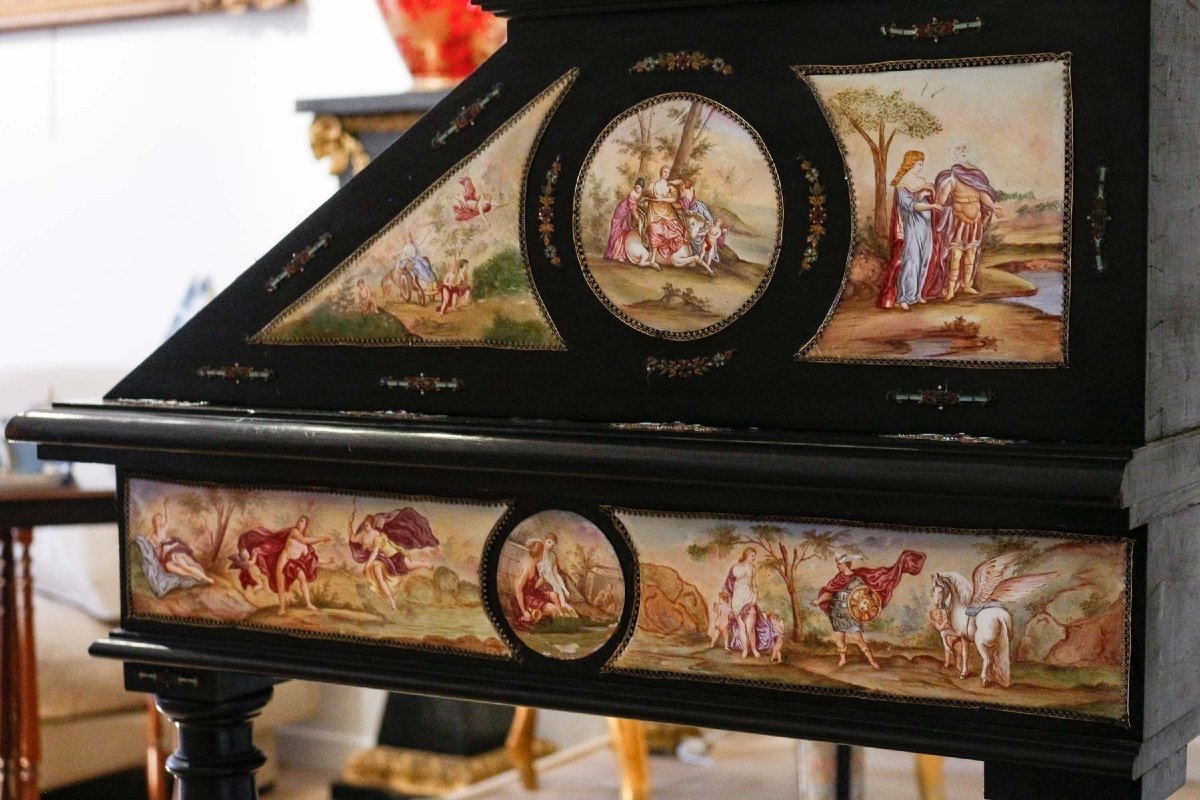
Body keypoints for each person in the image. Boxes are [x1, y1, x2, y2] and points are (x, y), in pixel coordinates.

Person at [813, 550, 926, 669]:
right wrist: (819, 601)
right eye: (837, 563)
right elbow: (829, 592)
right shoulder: (838, 578)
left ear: (846, 564)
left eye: (839, 563)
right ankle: (842, 659)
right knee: (839, 638)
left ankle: (871, 660)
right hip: (837, 613)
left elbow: (867, 595)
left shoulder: (857, 579)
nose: (837, 565)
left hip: (852, 614)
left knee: (858, 639)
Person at [923, 142, 1003, 301]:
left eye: (965, 150)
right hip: (958, 222)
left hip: (975, 222)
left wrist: (993, 206)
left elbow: (982, 195)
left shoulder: (977, 176)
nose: (963, 152)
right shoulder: (952, 177)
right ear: (955, 155)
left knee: (971, 253)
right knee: (956, 255)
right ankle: (951, 289)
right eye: (959, 151)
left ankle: (967, 285)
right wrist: (938, 194)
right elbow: (942, 199)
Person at [877, 151, 940, 311]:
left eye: (922, 164)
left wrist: (926, 197)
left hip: (926, 227)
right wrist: (930, 205)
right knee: (912, 261)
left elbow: (921, 200)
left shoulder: (921, 181)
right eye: (919, 164)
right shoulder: (902, 184)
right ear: (910, 163)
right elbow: (911, 206)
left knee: (925, 258)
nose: (921, 167)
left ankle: (918, 294)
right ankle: (905, 297)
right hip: (912, 227)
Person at [234, 516, 332, 616]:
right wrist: (322, 538)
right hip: (284, 559)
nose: (299, 522)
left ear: (305, 526)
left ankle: (308, 604)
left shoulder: (305, 546)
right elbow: (303, 539)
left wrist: (328, 562)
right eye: (299, 520)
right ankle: (282, 608)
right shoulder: (294, 532)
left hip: (294, 563)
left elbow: (313, 559)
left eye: (302, 521)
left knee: (302, 578)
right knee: (280, 584)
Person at [349, 508, 439, 610]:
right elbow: (353, 538)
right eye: (364, 525)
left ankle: (424, 564)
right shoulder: (363, 534)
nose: (365, 527)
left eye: (367, 525)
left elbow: (374, 553)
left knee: (410, 565)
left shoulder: (377, 536)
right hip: (383, 559)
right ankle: (391, 599)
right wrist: (350, 524)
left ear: (372, 525)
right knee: (378, 574)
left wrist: (367, 565)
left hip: (394, 556)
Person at [643, 165, 690, 268]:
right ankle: (653, 259)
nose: (666, 174)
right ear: (661, 172)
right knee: (654, 229)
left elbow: (673, 199)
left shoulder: (671, 187)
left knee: (676, 229)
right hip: (654, 211)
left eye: (668, 172)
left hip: (667, 211)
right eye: (665, 171)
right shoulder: (653, 185)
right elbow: (649, 195)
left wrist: (662, 199)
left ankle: (672, 256)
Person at [149, 511, 213, 585]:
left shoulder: (163, 529)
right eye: (158, 520)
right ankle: (193, 575)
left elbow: (168, 520)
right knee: (169, 566)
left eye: (160, 519)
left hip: (173, 551)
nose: (160, 521)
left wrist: (165, 507)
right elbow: (156, 551)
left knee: (184, 565)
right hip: (166, 557)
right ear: (154, 523)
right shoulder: (153, 536)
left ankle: (207, 579)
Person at [510, 539, 562, 627]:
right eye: (543, 552)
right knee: (553, 609)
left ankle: (561, 617)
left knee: (554, 595)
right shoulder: (527, 568)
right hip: (528, 598)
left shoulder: (535, 565)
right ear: (540, 553)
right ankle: (557, 622)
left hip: (534, 593)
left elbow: (532, 586)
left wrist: (540, 582)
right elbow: (518, 589)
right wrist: (524, 611)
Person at [536, 532, 577, 616]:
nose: (551, 545)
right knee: (553, 596)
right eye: (549, 542)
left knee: (561, 596)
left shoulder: (553, 556)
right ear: (545, 541)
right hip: (542, 583)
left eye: (553, 544)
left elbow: (556, 574)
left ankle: (562, 615)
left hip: (552, 580)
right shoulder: (539, 553)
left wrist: (564, 589)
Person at [604, 179, 644, 262]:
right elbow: (633, 209)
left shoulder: (641, 194)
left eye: (639, 188)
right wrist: (639, 219)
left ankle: (622, 254)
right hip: (622, 212)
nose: (637, 189)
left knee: (625, 233)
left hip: (627, 214)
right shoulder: (632, 195)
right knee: (619, 232)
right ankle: (616, 254)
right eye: (636, 187)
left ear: (642, 188)